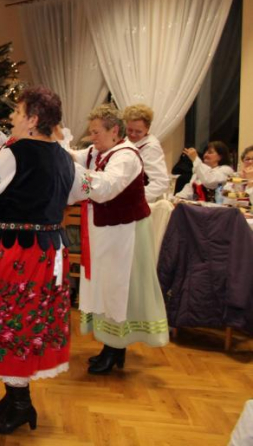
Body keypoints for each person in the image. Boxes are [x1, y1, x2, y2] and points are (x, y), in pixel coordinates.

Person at [0, 87, 84, 435]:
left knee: (11, 320)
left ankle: (21, 404)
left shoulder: (15, 152)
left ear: (34, 120)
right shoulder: (64, 157)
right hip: (49, 248)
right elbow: (79, 191)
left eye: (18, 113)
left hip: (18, 251)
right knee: (24, 318)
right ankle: (15, 395)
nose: (13, 118)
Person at [72, 105, 169, 375]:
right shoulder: (101, 152)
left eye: (96, 132)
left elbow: (104, 189)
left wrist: (79, 176)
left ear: (114, 131)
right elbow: (74, 156)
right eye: (90, 132)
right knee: (107, 286)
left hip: (127, 231)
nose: (92, 137)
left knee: (120, 288)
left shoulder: (125, 156)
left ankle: (116, 347)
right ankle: (110, 347)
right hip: (109, 230)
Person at [122, 104, 170, 202]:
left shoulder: (151, 147)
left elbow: (161, 182)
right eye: (129, 130)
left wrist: (135, 198)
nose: (133, 134)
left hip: (140, 205)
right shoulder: (126, 141)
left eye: (138, 131)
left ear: (147, 129)